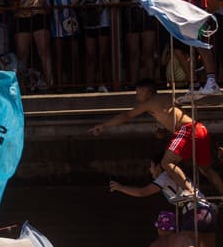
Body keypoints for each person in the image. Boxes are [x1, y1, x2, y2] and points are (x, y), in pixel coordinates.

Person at [90, 78, 223, 197]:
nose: (136, 96)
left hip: (188, 130)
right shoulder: (166, 99)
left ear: (146, 90)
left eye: (138, 92)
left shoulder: (150, 102)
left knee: (166, 163)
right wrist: (165, 133)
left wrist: (103, 126)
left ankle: (190, 193)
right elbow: (177, 119)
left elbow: (126, 116)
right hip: (199, 128)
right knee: (206, 169)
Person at [110, 153, 222, 247]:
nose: (150, 170)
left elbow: (142, 192)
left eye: (151, 167)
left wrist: (120, 188)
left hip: (194, 214)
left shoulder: (164, 177)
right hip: (208, 211)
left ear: (158, 167)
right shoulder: (175, 176)